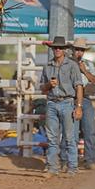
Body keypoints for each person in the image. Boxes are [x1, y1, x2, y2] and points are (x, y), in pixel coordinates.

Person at [39, 36, 84, 178]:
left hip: (67, 102)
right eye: (55, 47)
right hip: (52, 102)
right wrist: (49, 85)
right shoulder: (47, 66)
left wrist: (79, 106)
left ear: (64, 49)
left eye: (60, 47)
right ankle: (53, 168)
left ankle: (71, 168)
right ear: (52, 49)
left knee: (69, 138)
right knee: (52, 138)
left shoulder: (72, 65)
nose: (57, 49)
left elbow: (79, 86)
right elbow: (42, 87)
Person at [70, 38, 95, 168]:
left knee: (90, 131)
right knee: (72, 133)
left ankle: (90, 160)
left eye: (81, 50)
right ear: (73, 50)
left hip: (85, 99)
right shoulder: (67, 63)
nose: (79, 52)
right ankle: (72, 161)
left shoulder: (88, 64)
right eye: (77, 49)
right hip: (71, 99)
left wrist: (85, 71)